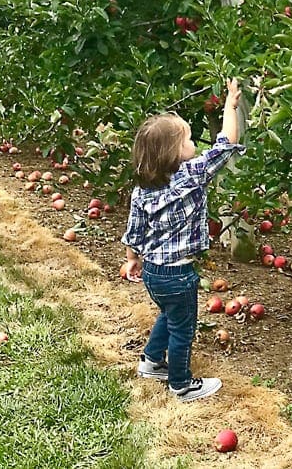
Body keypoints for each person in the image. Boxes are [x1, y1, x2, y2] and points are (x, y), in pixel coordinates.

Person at [121, 78, 244, 402]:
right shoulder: (193, 174)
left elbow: (134, 232)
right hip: (178, 273)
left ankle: (150, 361)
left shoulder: (141, 190)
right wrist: (231, 105)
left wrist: (133, 259)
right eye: (188, 139)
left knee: (168, 315)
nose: (194, 143)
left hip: (153, 273)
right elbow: (225, 143)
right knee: (183, 328)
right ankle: (181, 383)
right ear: (175, 152)